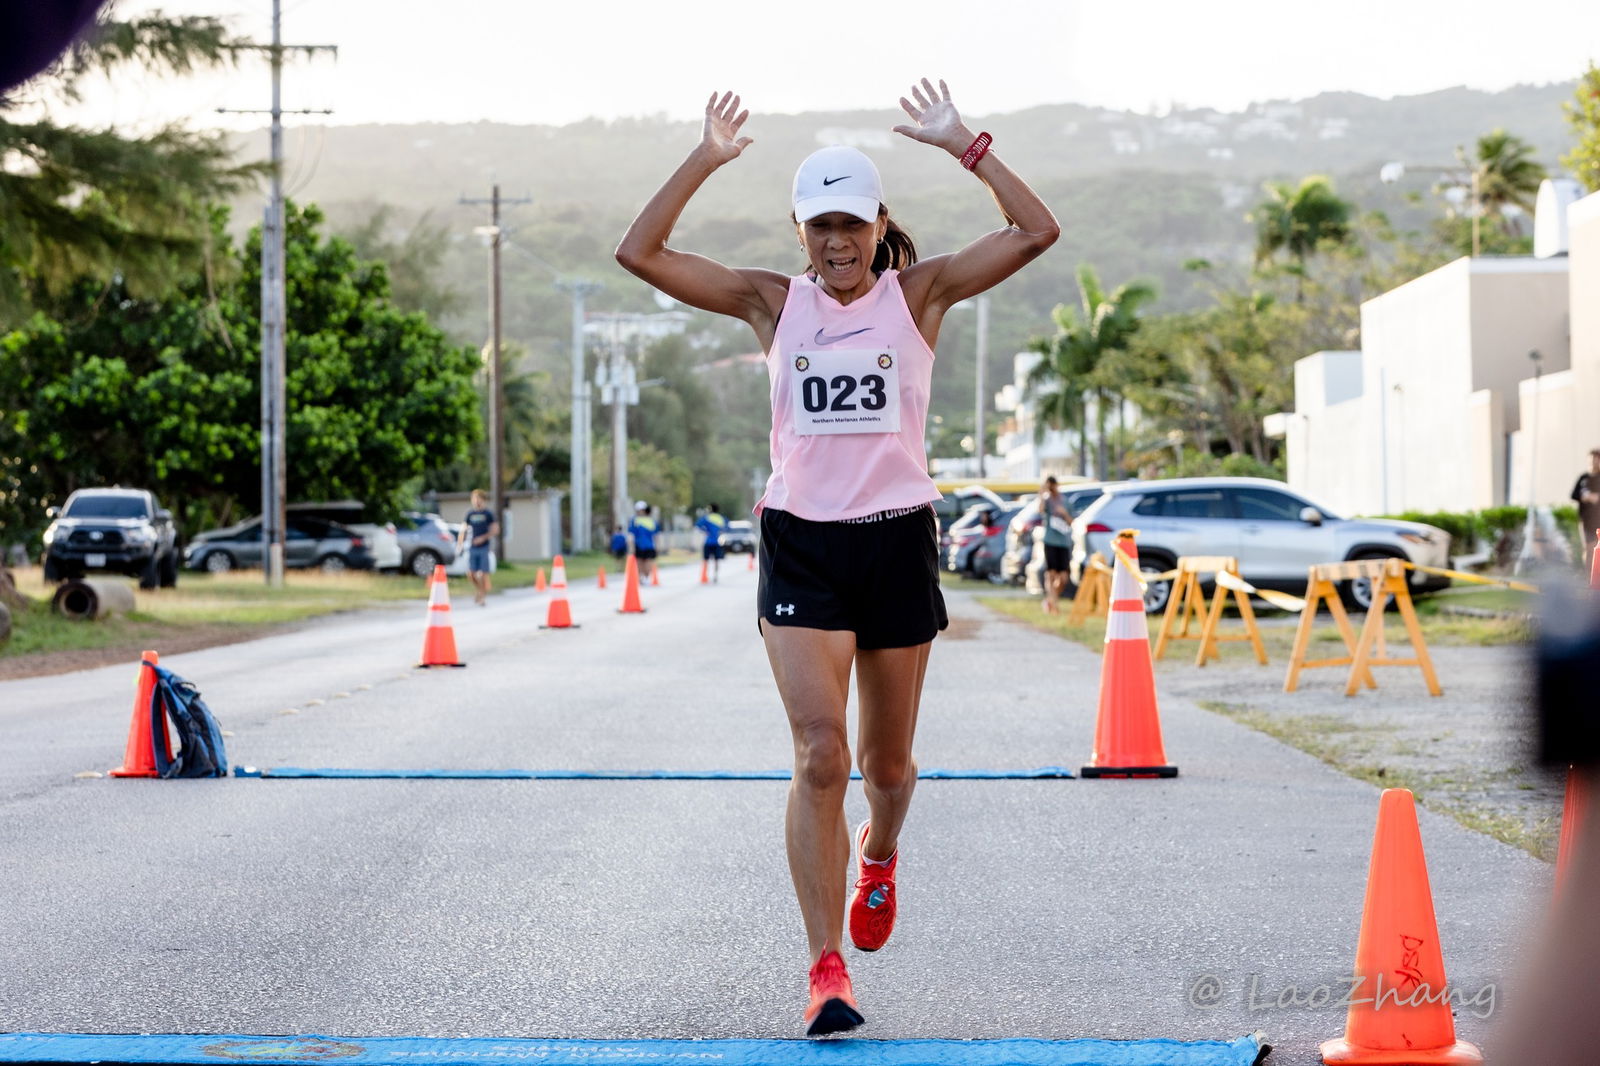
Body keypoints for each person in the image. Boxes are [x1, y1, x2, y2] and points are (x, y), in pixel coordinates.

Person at [616, 80, 1058, 1035]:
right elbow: (639, 253)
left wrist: (965, 145)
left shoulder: (919, 295)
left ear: (878, 225)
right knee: (822, 754)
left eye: (852, 223)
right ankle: (826, 970)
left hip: (896, 539)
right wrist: (704, 157)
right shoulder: (772, 304)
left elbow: (1036, 232)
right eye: (820, 226)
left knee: (886, 768)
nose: (837, 242)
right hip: (803, 544)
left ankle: (880, 854)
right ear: (801, 231)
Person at [1038, 476, 1074, 614]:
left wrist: (1064, 513)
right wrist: (1042, 493)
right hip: (1050, 541)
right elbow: (1040, 510)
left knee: (1063, 578)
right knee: (1051, 574)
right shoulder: (1047, 501)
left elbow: (1071, 522)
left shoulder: (1065, 501)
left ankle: (1050, 600)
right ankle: (1054, 605)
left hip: (1063, 542)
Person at [457, 490, 498, 606]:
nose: (477, 501)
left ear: (483, 500)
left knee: (483, 574)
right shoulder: (470, 514)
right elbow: (463, 529)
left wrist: (483, 538)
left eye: (479, 499)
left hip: (484, 547)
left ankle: (482, 597)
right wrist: (460, 543)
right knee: (471, 573)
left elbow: (495, 530)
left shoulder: (488, 514)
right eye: (475, 499)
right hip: (472, 547)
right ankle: (480, 591)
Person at [1571, 447, 1600, 567]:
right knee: (1588, 548)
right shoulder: (1583, 477)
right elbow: (1574, 495)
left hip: (1598, 519)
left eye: (1596, 459)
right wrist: (1584, 497)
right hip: (1585, 520)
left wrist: (1596, 497)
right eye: (1591, 459)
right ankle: (1587, 573)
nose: (1593, 461)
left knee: (1596, 547)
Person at [628, 500, 661, 583]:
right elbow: (631, 535)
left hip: (649, 546)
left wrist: (657, 546)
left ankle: (646, 576)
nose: (640, 512)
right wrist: (631, 546)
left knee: (648, 562)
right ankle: (640, 577)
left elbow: (656, 535)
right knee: (639, 562)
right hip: (638, 545)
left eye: (642, 510)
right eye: (638, 510)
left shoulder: (652, 521)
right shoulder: (634, 521)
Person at [696, 503, 728, 582]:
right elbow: (727, 526)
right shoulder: (721, 518)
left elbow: (697, 524)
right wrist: (721, 531)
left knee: (706, 560)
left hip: (708, 542)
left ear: (710, 509)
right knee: (716, 560)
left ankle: (705, 575)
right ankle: (715, 576)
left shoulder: (707, 518)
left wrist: (705, 531)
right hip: (717, 542)